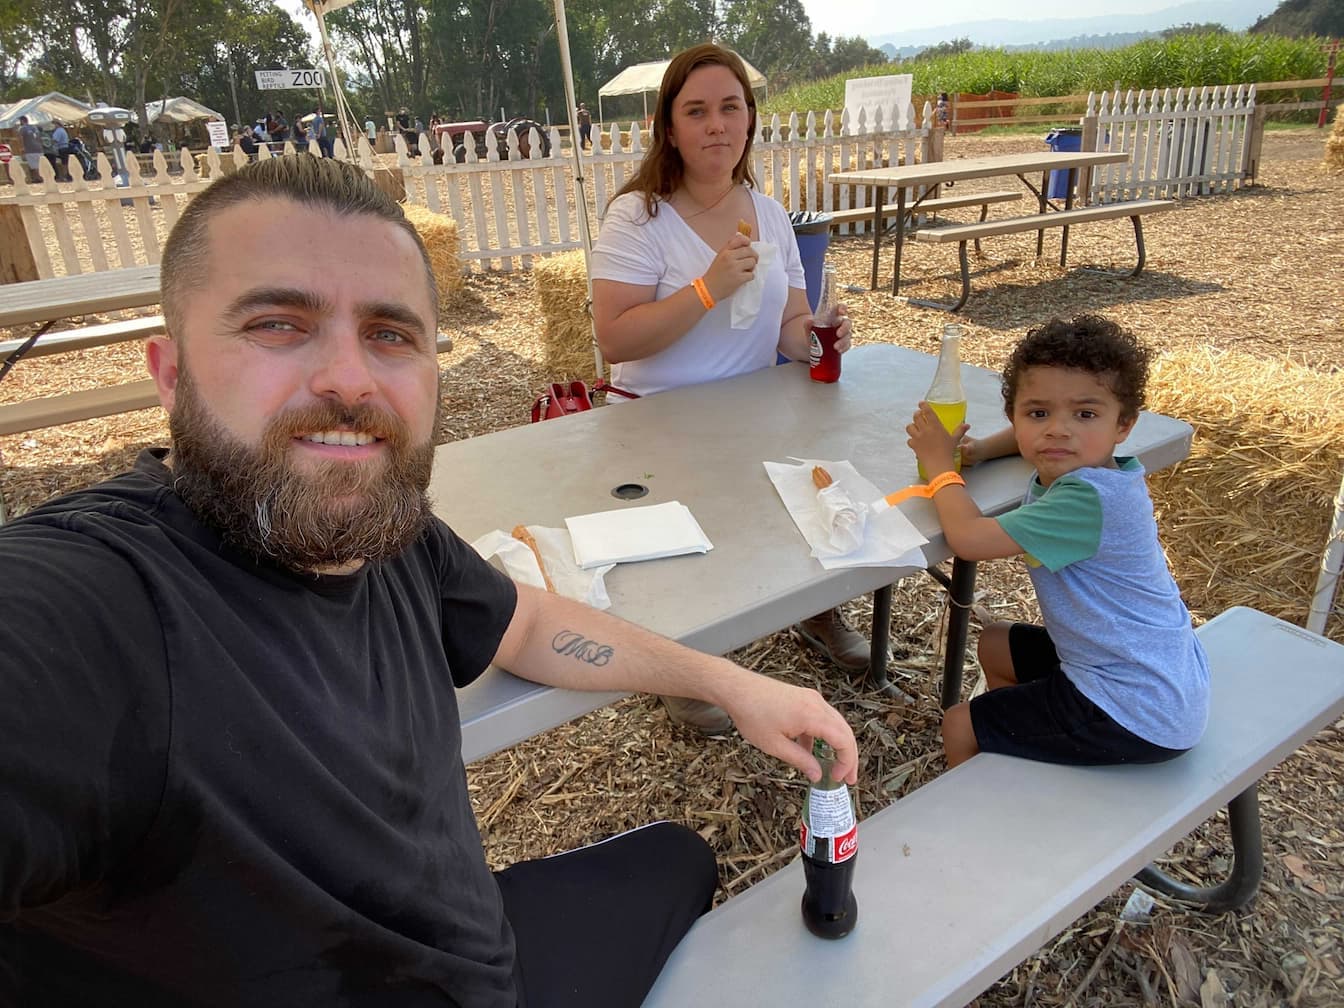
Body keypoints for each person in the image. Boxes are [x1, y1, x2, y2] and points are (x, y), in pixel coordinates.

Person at [0, 154, 859, 1006]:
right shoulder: (99, 606)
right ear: (171, 374)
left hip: (483, 960)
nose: (348, 377)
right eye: (277, 323)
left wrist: (730, 683)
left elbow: (519, 622)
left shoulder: (390, 532)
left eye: (390, 333)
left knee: (682, 855)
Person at [588, 43, 870, 734]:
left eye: (730, 108)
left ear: (749, 121)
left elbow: (786, 326)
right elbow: (616, 339)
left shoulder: (770, 214)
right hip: (655, 418)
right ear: (670, 128)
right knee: (687, 547)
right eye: (697, 111)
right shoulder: (638, 218)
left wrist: (817, 336)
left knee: (809, 489)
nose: (716, 124)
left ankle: (816, 609)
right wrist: (709, 287)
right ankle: (685, 661)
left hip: (750, 407)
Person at [905, 315, 1210, 769]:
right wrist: (983, 449)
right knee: (995, 642)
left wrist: (939, 466)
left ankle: (975, 825)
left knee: (959, 724)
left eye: (1085, 414)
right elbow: (1040, 429)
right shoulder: (1095, 468)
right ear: (1016, 415)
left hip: (1136, 710)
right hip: (1148, 669)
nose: (1058, 431)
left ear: (1124, 424)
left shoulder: (1086, 501)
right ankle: (1020, 756)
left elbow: (967, 538)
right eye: (1038, 413)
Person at [17, 115, 42, 182]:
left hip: (30, 148)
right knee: (39, 164)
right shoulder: (34, 127)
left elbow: (20, 138)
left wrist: (22, 148)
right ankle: (37, 177)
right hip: (38, 148)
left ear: (22, 121)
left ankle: (38, 178)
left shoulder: (22, 128)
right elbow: (39, 137)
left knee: (33, 165)